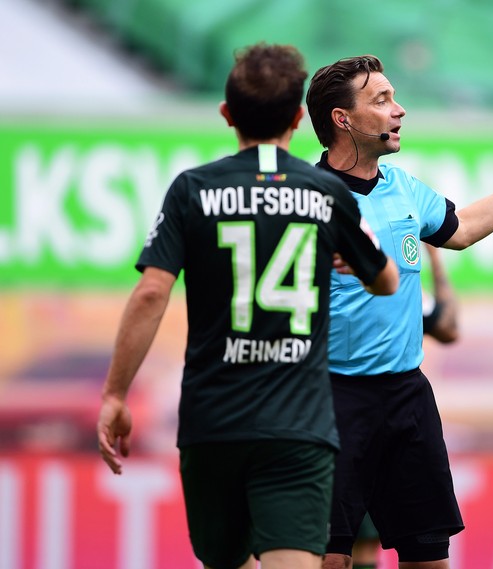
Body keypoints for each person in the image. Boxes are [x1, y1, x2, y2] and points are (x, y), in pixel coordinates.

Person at [96, 43, 399, 569]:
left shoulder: (191, 189)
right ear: (300, 118)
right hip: (296, 426)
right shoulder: (326, 192)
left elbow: (150, 293)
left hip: (214, 425)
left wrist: (116, 393)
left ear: (227, 115)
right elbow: (386, 281)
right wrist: (352, 263)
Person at [304, 54, 493, 569]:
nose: (399, 110)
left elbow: (461, 229)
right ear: (342, 119)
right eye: (381, 100)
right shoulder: (308, 198)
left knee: (429, 558)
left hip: (406, 396)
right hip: (333, 399)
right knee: (330, 560)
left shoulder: (403, 187)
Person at [352, 244, 461, 569]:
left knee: (356, 545)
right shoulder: (383, 282)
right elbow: (448, 329)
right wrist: (437, 261)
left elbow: (447, 329)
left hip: (377, 419)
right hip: (360, 415)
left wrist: (436, 261)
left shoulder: (398, 284)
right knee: (349, 547)